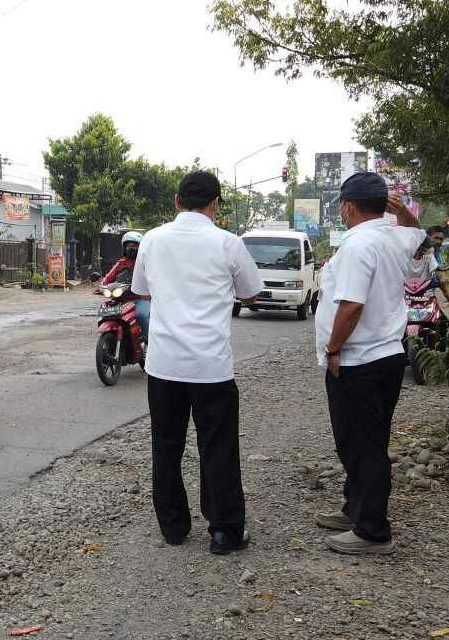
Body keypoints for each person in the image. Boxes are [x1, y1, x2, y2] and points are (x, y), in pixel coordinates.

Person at [131, 170, 262, 555]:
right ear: (216, 204)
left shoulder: (152, 240)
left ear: (176, 202)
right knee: (217, 447)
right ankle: (224, 532)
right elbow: (252, 294)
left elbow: (140, 290)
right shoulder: (228, 244)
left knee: (166, 445)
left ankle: (173, 528)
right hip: (211, 366)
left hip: (164, 364)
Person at [314, 172, 426, 555]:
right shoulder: (393, 236)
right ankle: (355, 509)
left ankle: (372, 531)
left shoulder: (359, 243)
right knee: (368, 440)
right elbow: (420, 242)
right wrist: (404, 215)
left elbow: (351, 305)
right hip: (386, 356)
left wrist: (332, 348)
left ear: (347, 207)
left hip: (359, 360)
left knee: (360, 445)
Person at [101, 231, 150, 339]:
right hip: (121, 299)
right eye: (129, 246)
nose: (131, 248)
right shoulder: (121, 263)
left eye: (135, 246)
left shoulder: (145, 262)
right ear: (124, 248)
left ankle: (148, 342)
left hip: (140, 299)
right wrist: (103, 286)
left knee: (142, 315)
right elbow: (107, 279)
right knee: (105, 311)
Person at [405, 225, 449, 302]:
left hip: (425, 293)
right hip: (405, 294)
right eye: (436, 238)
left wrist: (443, 278)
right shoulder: (404, 257)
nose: (438, 242)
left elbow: (438, 271)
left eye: (441, 239)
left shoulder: (430, 256)